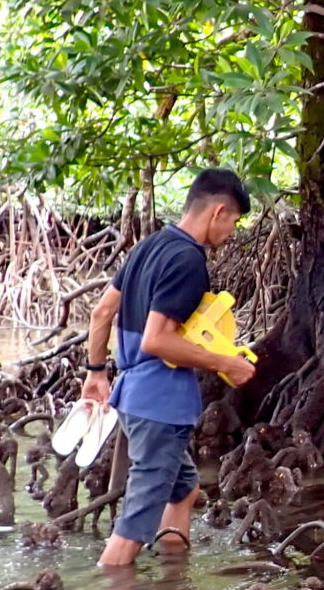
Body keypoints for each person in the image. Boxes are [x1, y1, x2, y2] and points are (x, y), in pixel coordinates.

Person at [82, 169, 255, 568]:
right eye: (233, 222)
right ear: (218, 212)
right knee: (134, 528)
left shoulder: (149, 246)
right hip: (160, 404)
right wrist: (225, 362)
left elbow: (101, 311)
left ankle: (174, 578)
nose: (231, 233)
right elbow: (157, 340)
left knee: (185, 491)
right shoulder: (188, 260)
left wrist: (96, 372)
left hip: (132, 397)